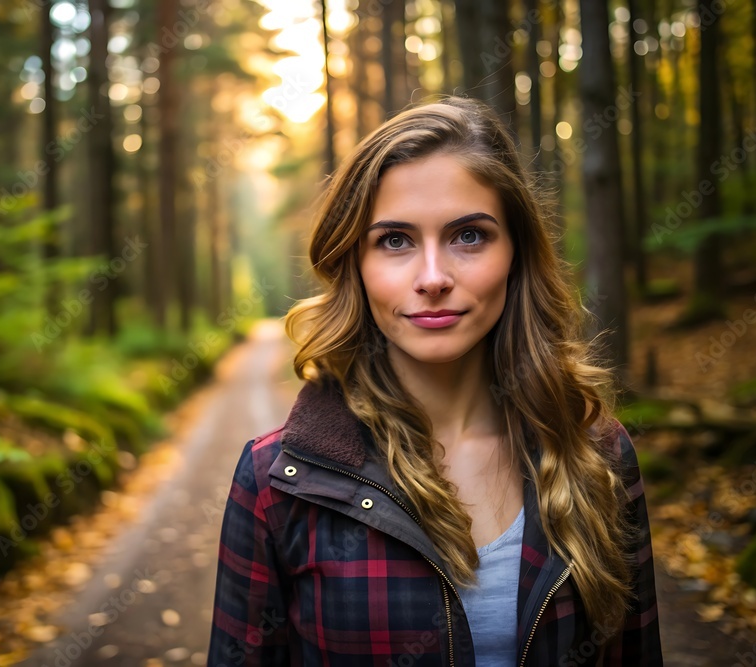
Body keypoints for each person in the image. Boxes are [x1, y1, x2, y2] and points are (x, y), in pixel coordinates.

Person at [206, 95, 663, 666]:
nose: (433, 277)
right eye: (394, 240)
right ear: (356, 264)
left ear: (516, 253)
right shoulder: (278, 482)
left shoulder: (599, 453)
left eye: (468, 235)